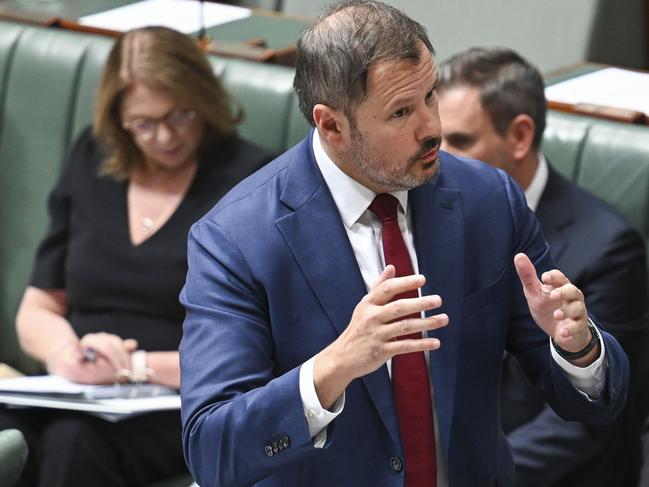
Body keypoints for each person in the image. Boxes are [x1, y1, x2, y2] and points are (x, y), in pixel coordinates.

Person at [179, 2, 629, 486]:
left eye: (430, 95)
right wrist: (335, 366)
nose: (432, 127)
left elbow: (593, 402)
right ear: (331, 125)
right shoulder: (235, 239)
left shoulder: (488, 201)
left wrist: (580, 350)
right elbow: (213, 448)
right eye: (401, 112)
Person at [0, 26, 270, 487]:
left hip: (181, 398)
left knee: (72, 443)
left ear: (205, 100)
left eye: (181, 115)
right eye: (143, 123)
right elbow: (39, 306)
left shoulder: (253, 181)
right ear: (119, 118)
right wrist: (66, 354)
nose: (165, 136)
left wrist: (133, 368)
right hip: (74, 391)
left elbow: (258, 350)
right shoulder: (92, 157)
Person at [437, 47, 648, 487]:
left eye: (458, 141)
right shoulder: (432, 215)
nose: (439, 158)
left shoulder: (607, 249)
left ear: (519, 136)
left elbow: (586, 422)